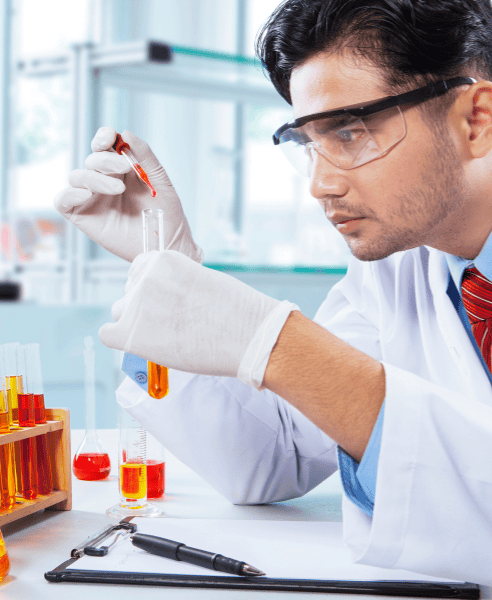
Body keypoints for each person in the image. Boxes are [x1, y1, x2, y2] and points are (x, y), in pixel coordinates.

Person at [53, 0, 492, 585]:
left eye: (350, 131)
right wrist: (167, 263)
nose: (320, 184)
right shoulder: (395, 269)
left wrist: (281, 346)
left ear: (477, 118)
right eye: (308, 141)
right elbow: (273, 457)